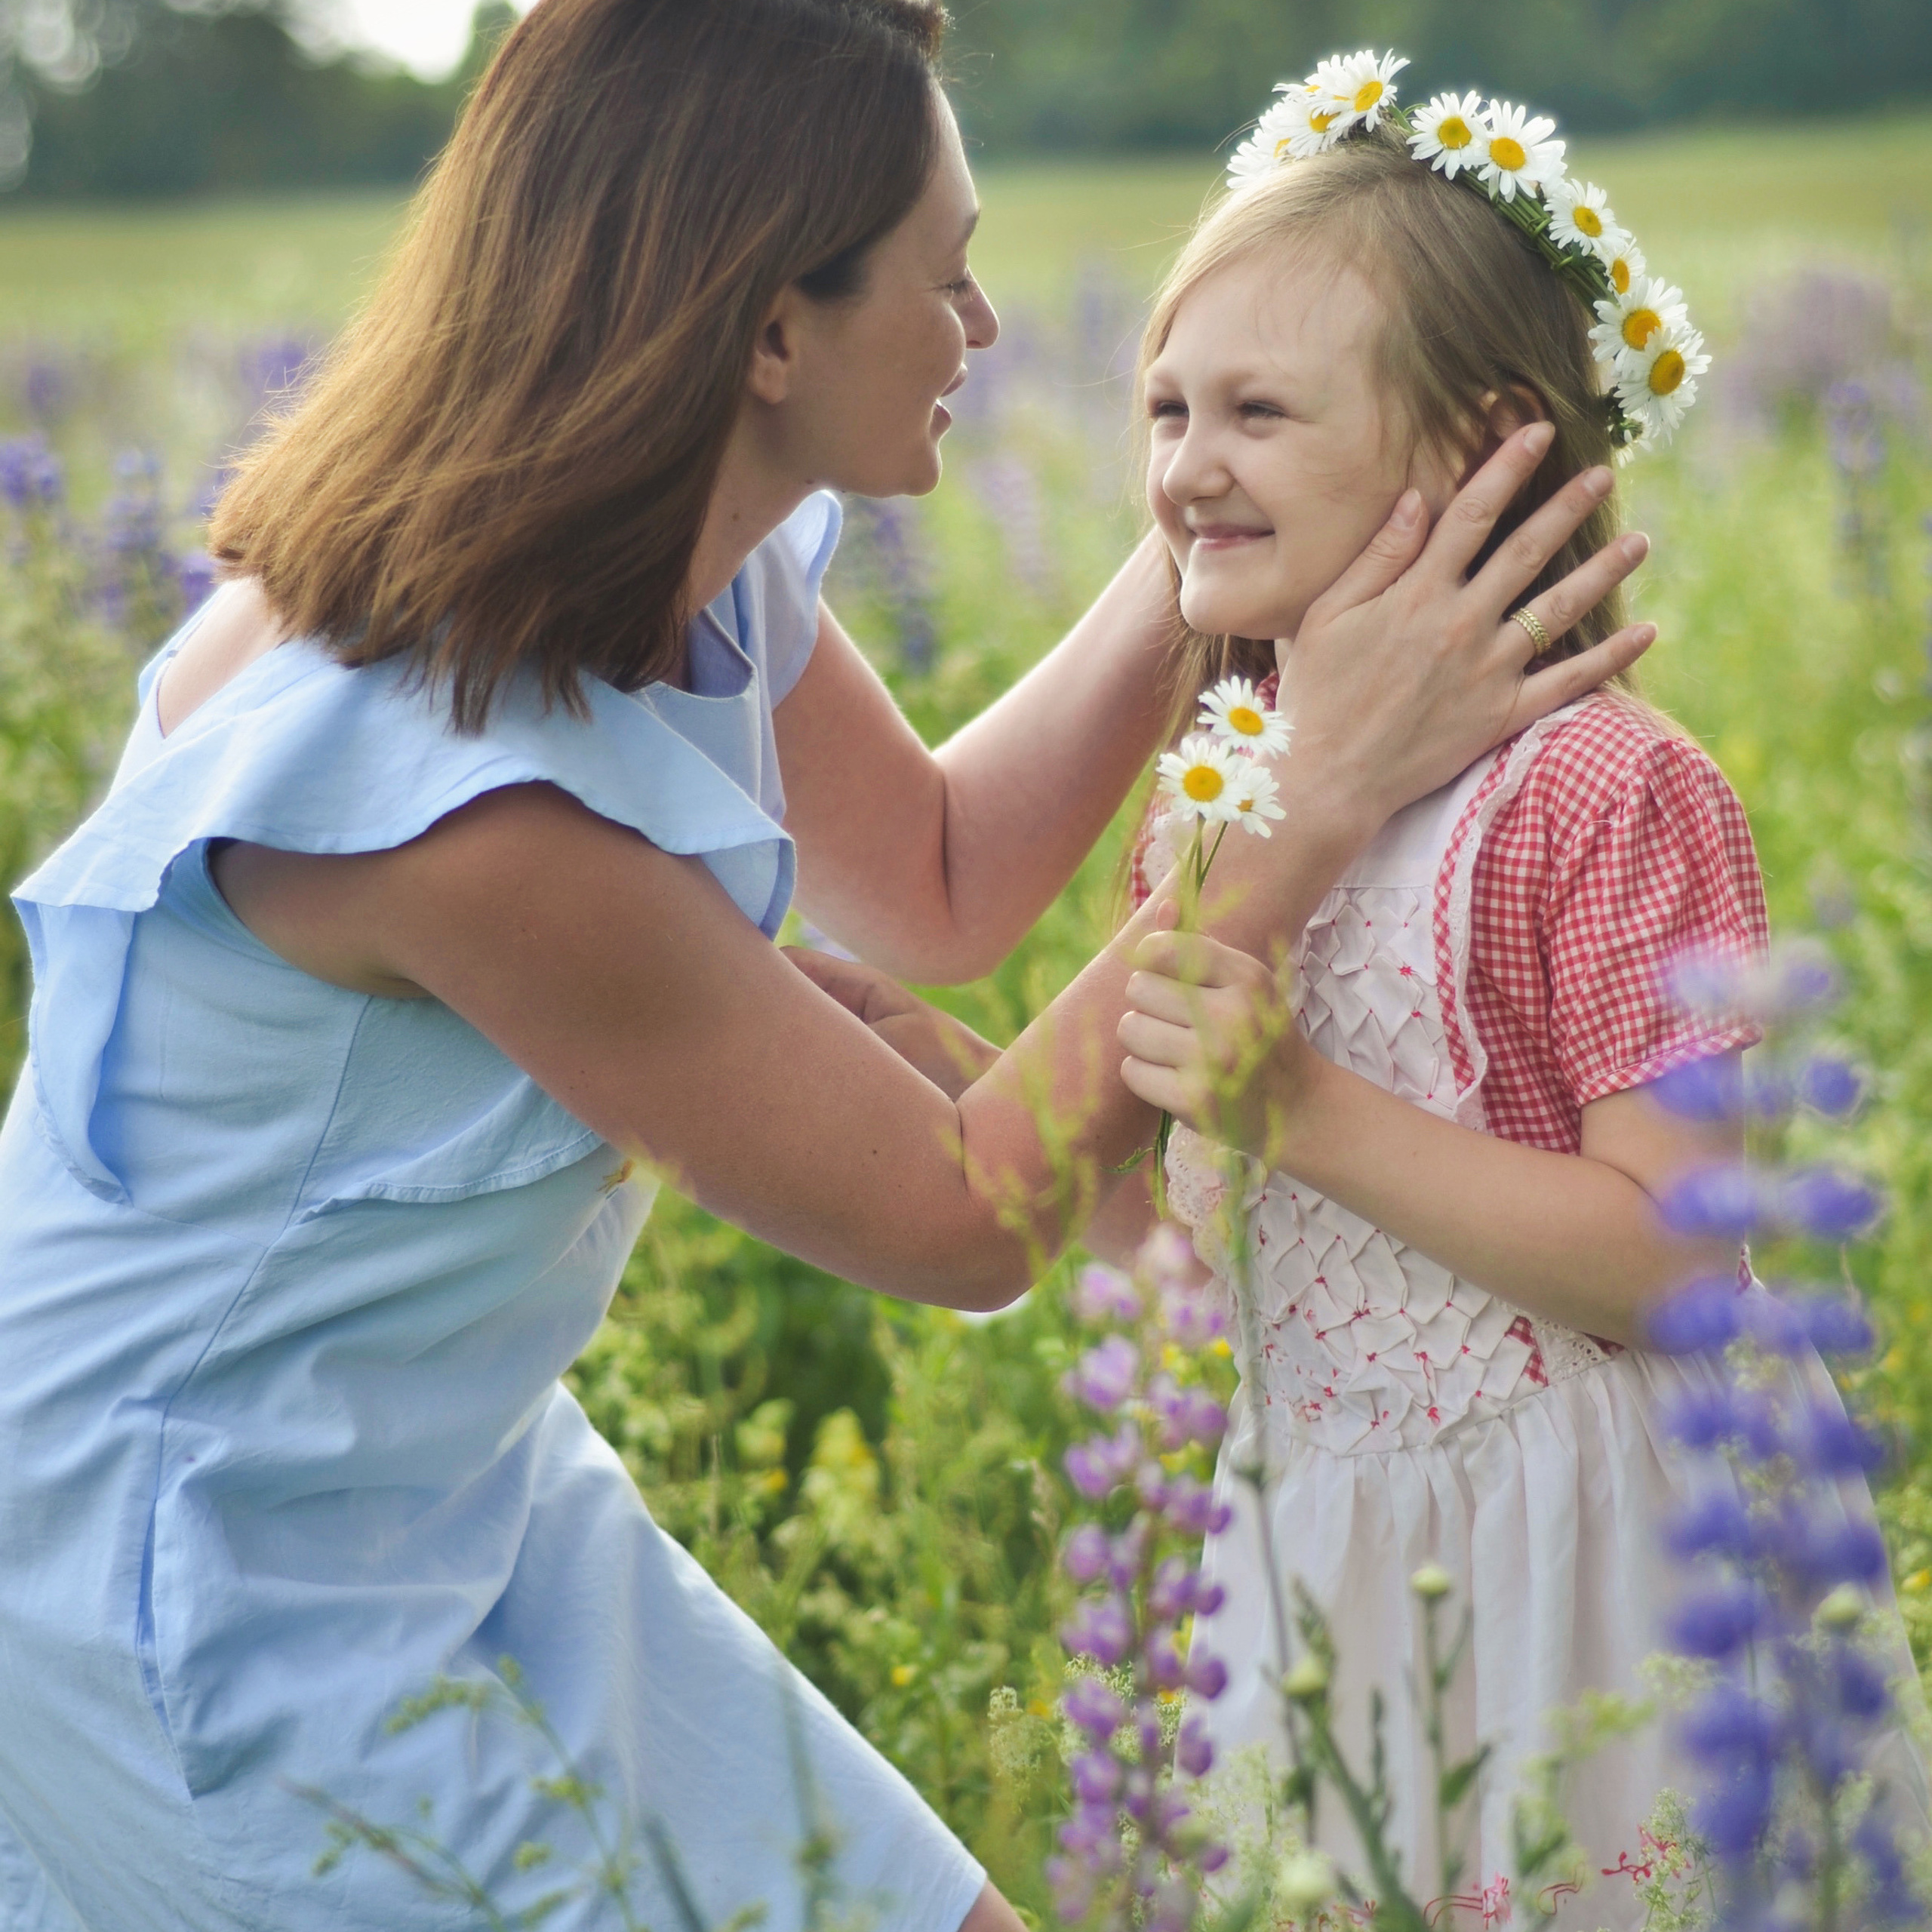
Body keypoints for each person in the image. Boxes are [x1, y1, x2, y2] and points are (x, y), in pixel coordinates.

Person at [0, 6, 1651, 1930]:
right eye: (944, 277)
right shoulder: (446, 794)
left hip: (437, 1465)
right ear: (769, 330)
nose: (987, 326)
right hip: (198, 1568)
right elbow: (966, 1218)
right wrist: (1311, 783)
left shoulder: (659, 562)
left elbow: (939, 882)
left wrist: (1287, 478)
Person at [1105, 63, 1930, 1924]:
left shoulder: (1600, 788)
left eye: (1254, 409)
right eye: (1164, 405)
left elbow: (1670, 1257)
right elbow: (1164, 1183)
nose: (1182, 464)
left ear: (1479, 445)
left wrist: (1303, 1108)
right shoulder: (1223, 781)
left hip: (1589, 1567)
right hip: (1319, 1537)